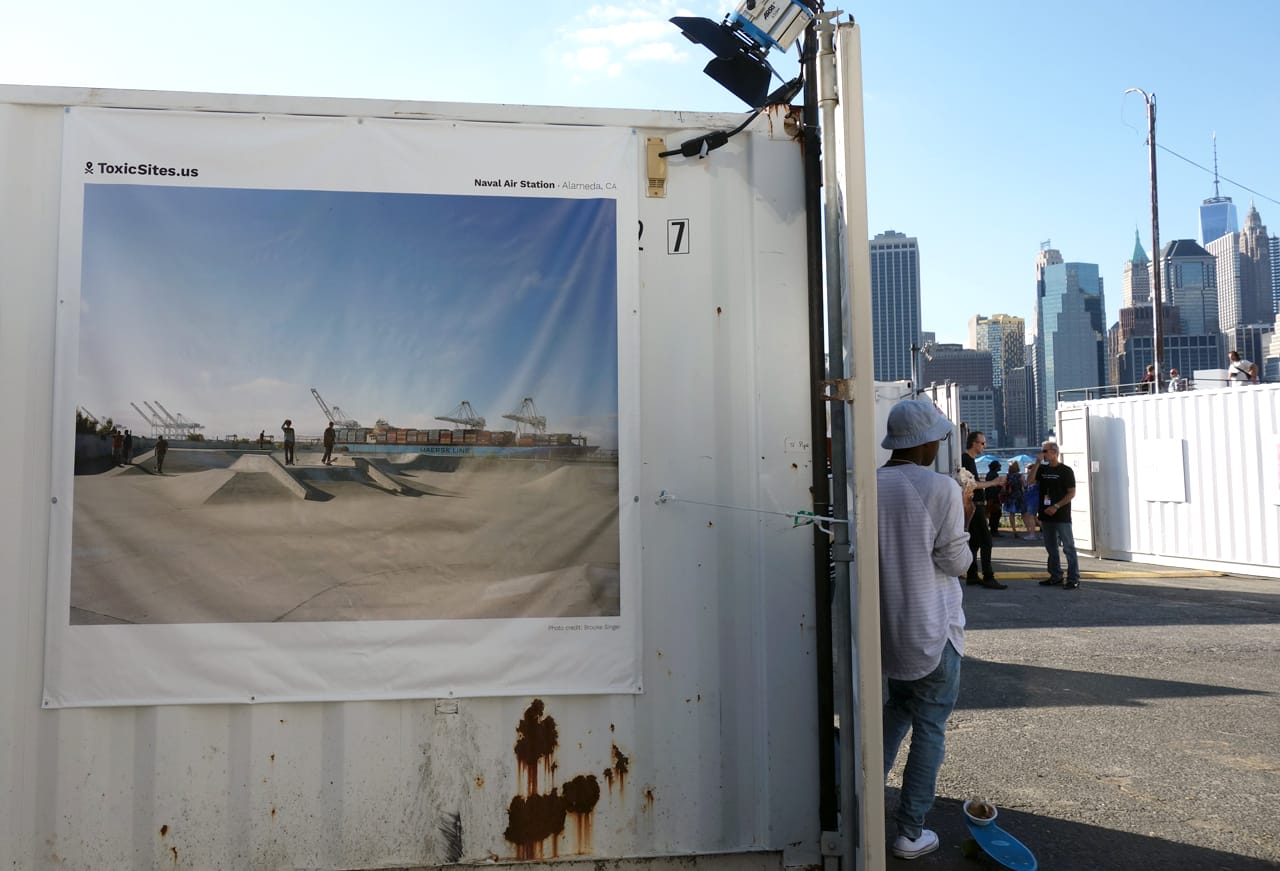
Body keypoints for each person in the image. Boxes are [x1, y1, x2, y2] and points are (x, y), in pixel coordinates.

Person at [877, 399, 974, 860]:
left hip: (890, 630)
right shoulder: (940, 488)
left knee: (896, 709)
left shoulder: (868, 485)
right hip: (935, 628)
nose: (939, 442)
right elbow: (955, 560)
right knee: (930, 725)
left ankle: (860, 792)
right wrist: (967, 517)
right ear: (922, 442)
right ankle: (910, 829)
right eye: (935, 436)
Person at [961, 431, 1006, 588]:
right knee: (986, 542)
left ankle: (972, 574)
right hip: (975, 507)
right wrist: (993, 483)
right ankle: (988, 576)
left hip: (975, 506)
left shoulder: (969, 460)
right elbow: (971, 484)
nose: (984, 446)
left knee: (974, 543)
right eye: (982, 443)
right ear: (974, 443)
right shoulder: (966, 459)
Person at [1036, 440, 1080, 590]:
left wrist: (1056, 506)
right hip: (1045, 513)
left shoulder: (1065, 471)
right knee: (1051, 547)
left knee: (1068, 546)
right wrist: (1037, 463)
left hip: (1061, 514)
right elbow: (1029, 481)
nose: (1043, 454)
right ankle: (1055, 575)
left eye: (1045, 451)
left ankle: (1073, 578)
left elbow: (1071, 492)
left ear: (1054, 453)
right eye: (1043, 451)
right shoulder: (1042, 470)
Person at [1004, 460, 1026, 536]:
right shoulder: (1021, 476)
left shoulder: (1008, 476)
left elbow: (1005, 486)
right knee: (1023, 513)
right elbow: (1023, 487)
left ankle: (1014, 530)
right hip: (1019, 495)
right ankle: (1028, 529)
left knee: (1011, 513)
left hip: (1010, 496)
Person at [1022, 458, 1041, 540]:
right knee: (1035, 517)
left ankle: (1032, 534)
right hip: (1033, 498)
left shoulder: (1033, 477)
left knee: (1031, 516)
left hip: (1033, 498)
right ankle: (1046, 533)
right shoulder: (1035, 477)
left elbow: (1028, 485)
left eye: (1028, 468)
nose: (1026, 469)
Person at [985, 460, 1003, 536]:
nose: (1000, 467)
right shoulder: (994, 475)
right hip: (993, 497)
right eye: (999, 466)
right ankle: (994, 531)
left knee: (993, 514)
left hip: (990, 496)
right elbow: (994, 487)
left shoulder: (989, 474)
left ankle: (993, 530)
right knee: (996, 514)